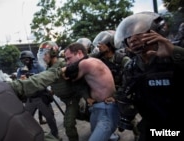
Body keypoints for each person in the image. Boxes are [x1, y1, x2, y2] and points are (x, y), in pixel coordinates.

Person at [114, 11, 184, 141]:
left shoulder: (174, 56)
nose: (132, 39)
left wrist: (174, 52)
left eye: (138, 34)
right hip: (151, 127)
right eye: (128, 36)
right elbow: (127, 93)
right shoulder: (131, 67)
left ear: (154, 33)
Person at [62, 42, 120, 141]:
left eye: (69, 58)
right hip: (96, 108)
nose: (67, 62)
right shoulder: (90, 61)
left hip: (106, 109)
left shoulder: (87, 63)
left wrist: (63, 71)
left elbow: (69, 74)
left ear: (79, 53)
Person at [37, 41, 86, 141]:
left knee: (68, 125)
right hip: (65, 100)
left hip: (73, 99)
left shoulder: (63, 63)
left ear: (53, 53)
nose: (43, 57)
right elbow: (57, 81)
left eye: (45, 54)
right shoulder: (48, 68)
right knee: (82, 116)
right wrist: (53, 91)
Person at [17, 50, 59, 138]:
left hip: (41, 96)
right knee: (27, 119)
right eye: (23, 60)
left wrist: (34, 76)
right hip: (30, 98)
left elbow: (46, 77)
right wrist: (21, 80)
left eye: (26, 59)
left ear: (31, 59)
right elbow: (18, 83)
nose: (25, 61)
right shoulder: (20, 70)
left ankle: (55, 135)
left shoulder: (38, 67)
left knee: (50, 118)